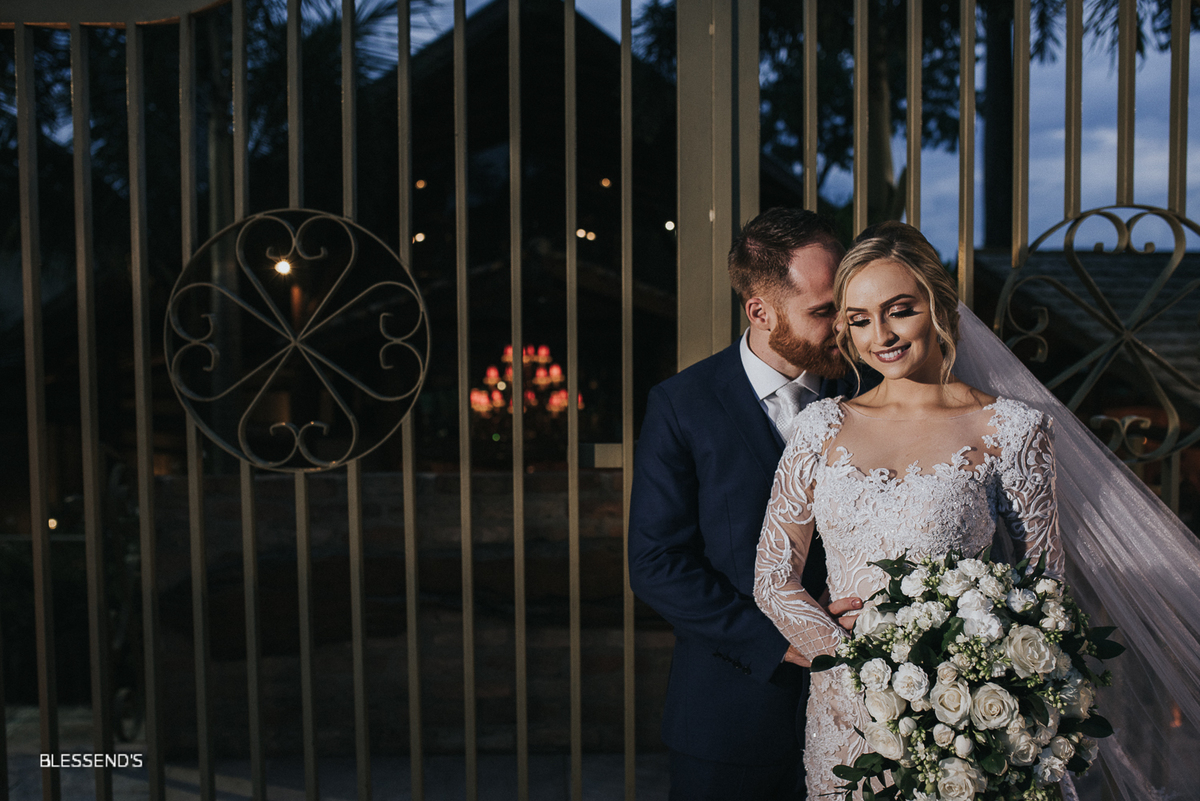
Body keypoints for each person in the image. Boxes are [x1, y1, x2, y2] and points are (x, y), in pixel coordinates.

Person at [753, 221, 1066, 798]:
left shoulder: (1012, 430)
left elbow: (1043, 584)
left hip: (960, 711)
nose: (882, 336)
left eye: (899, 310)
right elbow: (773, 578)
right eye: (859, 319)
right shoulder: (819, 427)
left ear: (938, 306)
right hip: (844, 709)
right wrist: (855, 661)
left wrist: (971, 678)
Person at [628, 207, 869, 800]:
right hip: (729, 719)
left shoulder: (870, 392)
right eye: (822, 312)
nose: (843, 327)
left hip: (864, 719)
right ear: (760, 310)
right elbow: (657, 563)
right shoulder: (682, 405)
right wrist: (779, 641)